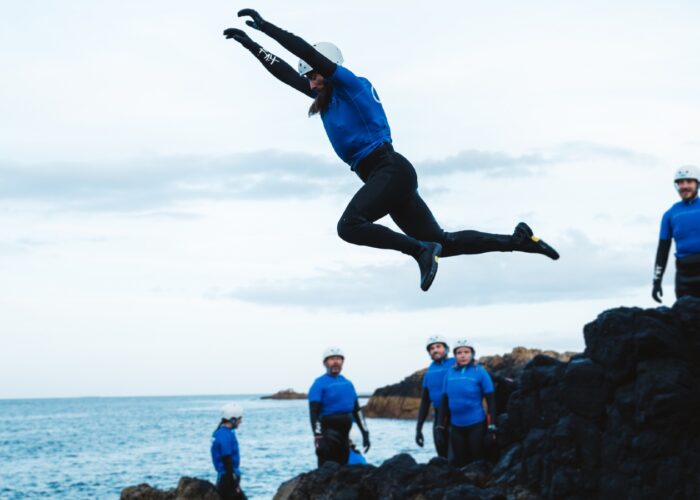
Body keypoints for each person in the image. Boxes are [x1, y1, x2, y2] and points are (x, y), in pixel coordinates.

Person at [223, 9, 560, 292]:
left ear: (327, 67)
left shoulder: (351, 85)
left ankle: (418, 250)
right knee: (446, 242)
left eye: (313, 75)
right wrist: (251, 45)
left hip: (389, 169)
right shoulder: (326, 97)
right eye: (307, 79)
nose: (310, 83)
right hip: (384, 176)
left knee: (349, 226)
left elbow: (308, 53)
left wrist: (266, 27)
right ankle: (519, 241)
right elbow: (284, 73)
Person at [436, 339, 496, 467]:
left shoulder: (480, 372)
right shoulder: (449, 373)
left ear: (472, 354)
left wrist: (492, 428)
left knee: (477, 462)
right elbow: (444, 403)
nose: (463, 355)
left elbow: (491, 401)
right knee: (460, 464)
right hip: (456, 427)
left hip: (476, 425)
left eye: (466, 352)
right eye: (459, 352)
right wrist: (439, 427)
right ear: (455, 355)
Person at [308, 347, 370, 466]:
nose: (336, 362)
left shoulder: (348, 384)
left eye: (338, 359)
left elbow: (357, 411)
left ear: (342, 362)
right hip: (328, 435)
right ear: (325, 363)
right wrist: (318, 436)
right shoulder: (318, 384)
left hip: (345, 436)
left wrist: (365, 433)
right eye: (331, 359)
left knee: (343, 471)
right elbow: (313, 413)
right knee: (327, 469)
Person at [653, 165, 700, 303]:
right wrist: (657, 281)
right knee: (686, 319)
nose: (684, 186)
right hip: (684, 277)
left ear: (697, 184)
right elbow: (663, 250)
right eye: (681, 182)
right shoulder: (670, 214)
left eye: (689, 182)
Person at [415, 335, 455, 458]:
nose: (435, 350)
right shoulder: (429, 371)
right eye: (431, 348)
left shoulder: (456, 362)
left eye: (438, 346)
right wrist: (418, 429)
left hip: (456, 415)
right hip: (438, 417)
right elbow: (425, 402)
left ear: (446, 349)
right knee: (442, 456)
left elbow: (479, 372)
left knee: (455, 456)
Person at [211, 403, 246, 500]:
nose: (241, 421)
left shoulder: (221, 432)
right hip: (227, 478)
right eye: (239, 419)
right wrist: (234, 482)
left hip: (225, 477)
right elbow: (226, 458)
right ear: (233, 419)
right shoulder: (225, 435)